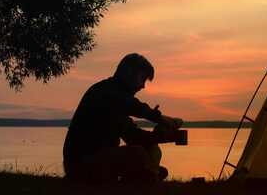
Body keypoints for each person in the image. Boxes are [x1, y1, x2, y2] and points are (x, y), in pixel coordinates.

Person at [63, 53, 184, 184]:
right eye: (142, 79)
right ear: (129, 73)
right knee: (137, 153)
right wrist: (161, 119)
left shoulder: (118, 101)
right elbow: (134, 106)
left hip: (98, 159)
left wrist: (161, 136)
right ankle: (146, 175)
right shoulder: (106, 92)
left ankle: (146, 175)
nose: (143, 86)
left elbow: (132, 136)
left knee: (149, 150)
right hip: (81, 162)